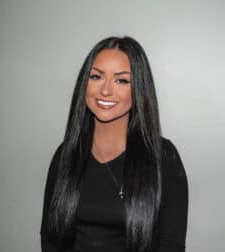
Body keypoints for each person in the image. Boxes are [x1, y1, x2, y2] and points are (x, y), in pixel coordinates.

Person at [40, 36, 188, 252]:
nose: (106, 90)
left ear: (139, 89)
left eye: (121, 80)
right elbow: (50, 239)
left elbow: (171, 245)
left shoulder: (163, 158)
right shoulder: (66, 155)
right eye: (96, 76)